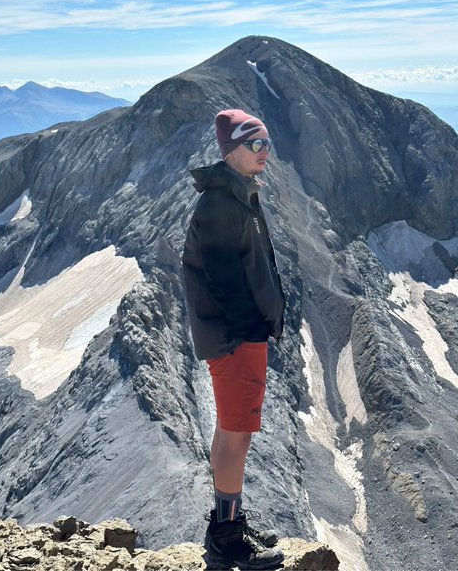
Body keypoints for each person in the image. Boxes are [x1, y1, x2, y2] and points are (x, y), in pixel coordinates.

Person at [181, 110, 287, 570]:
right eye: (256, 144)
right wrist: (251, 328)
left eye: (267, 143)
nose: (266, 152)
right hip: (236, 337)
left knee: (229, 429)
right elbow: (225, 281)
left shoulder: (235, 193)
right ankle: (226, 538)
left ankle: (227, 520)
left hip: (231, 335)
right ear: (232, 150)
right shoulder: (222, 204)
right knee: (237, 434)